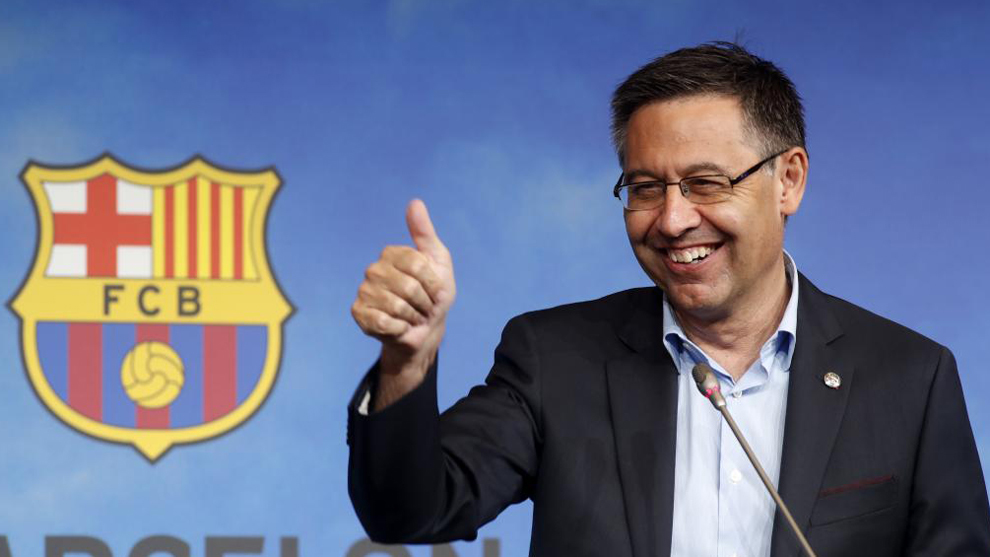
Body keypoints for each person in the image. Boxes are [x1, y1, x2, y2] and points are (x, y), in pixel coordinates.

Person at [347, 42, 990, 557]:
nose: (673, 220)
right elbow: (409, 510)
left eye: (706, 183)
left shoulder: (910, 378)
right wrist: (407, 362)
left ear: (788, 180)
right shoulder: (554, 359)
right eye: (645, 188)